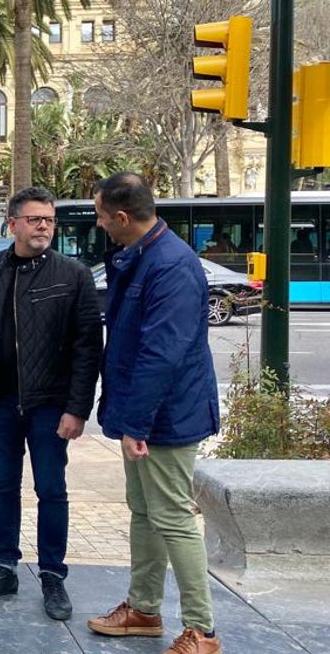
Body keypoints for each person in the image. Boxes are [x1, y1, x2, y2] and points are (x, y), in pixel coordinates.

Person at [87, 173, 222, 654]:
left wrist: (136, 424)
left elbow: (161, 353)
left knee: (172, 517)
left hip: (166, 417)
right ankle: (143, 610)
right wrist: (127, 419)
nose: (101, 224)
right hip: (144, 414)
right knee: (145, 513)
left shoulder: (170, 266)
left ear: (122, 217)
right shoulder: (143, 256)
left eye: (103, 216)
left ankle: (201, 631)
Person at [0, 186, 103, 621]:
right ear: (12, 224)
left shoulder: (72, 275)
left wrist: (77, 409)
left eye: (49, 220)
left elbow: (88, 349)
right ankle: (4, 567)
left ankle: (53, 575)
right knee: (3, 487)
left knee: (51, 490)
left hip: (50, 406)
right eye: (35, 219)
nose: (43, 227)